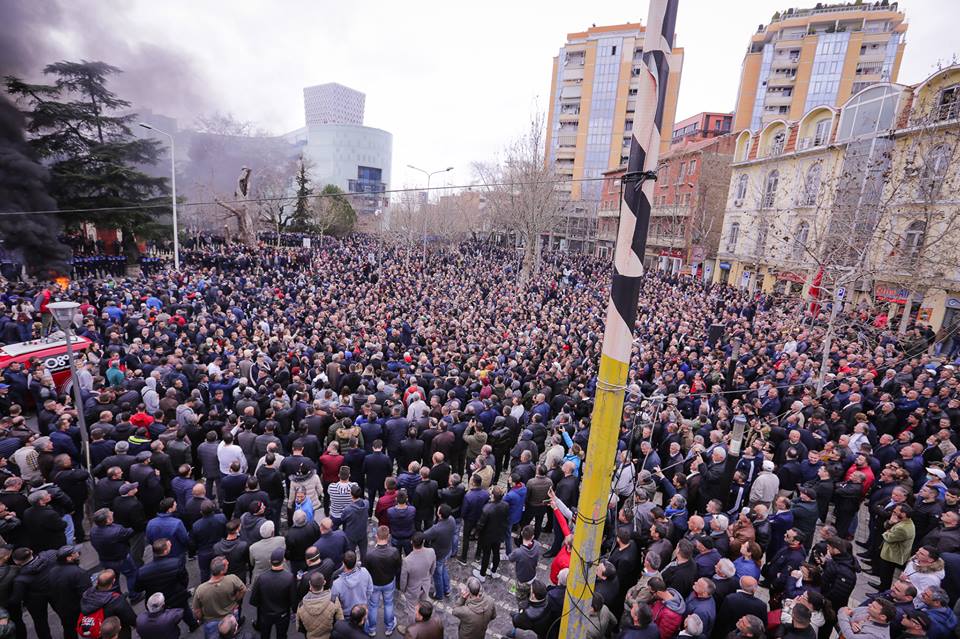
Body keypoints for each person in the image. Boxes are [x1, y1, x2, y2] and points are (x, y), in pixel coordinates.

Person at [133, 538, 199, 632]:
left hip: (156, 601)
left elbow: (137, 588)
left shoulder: (142, 571)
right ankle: (193, 625)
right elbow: (184, 580)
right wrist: (181, 589)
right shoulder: (176, 563)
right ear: (166, 550)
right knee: (185, 611)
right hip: (177, 596)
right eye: (169, 546)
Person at [192, 556, 246, 637]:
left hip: (211, 621)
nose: (228, 564)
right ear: (221, 571)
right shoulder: (232, 579)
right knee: (231, 635)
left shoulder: (201, 589)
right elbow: (243, 589)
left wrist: (200, 619)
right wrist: (236, 599)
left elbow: (197, 610)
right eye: (226, 565)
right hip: (230, 616)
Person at [250, 547, 297, 639]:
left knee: (264, 635)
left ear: (270, 561)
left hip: (265, 614)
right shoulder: (289, 578)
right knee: (282, 635)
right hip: (283, 615)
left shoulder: (261, 578)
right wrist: (294, 610)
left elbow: (254, 600)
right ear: (283, 560)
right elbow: (293, 600)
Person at [79, 570, 137, 639]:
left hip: (97, 632)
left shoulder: (87, 595)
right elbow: (130, 618)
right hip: (117, 633)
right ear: (113, 581)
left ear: (97, 582)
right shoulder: (116, 600)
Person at [365, 526, 401, 636]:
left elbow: (367, 570)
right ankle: (389, 626)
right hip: (389, 582)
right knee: (389, 604)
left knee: (373, 606)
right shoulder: (394, 551)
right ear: (388, 536)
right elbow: (398, 567)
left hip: (374, 584)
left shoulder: (370, 554)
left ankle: (371, 629)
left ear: (376, 536)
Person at [398, 532, 436, 633]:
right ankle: (423, 624)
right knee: (424, 605)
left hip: (412, 589)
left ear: (411, 542)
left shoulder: (407, 560)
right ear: (423, 542)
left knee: (412, 610)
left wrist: (403, 589)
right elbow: (433, 568)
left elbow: (403, 579)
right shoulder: (431, 552)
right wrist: (428, 578)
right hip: (425, 584)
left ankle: (410, 630)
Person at [297, 572, 344, 639]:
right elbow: (340, 621)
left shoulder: (301, 606)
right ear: (324, 582)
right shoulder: (333, 600)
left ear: (310, 584)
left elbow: (299, 627)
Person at [331, 551, 373, 620]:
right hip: (362, 612)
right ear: (356, 561)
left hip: (346, 615)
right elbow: (370, 590)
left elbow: (333, 601)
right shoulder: (365, 572)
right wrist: (364, 603)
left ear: (343, 563)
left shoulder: (336, 584)